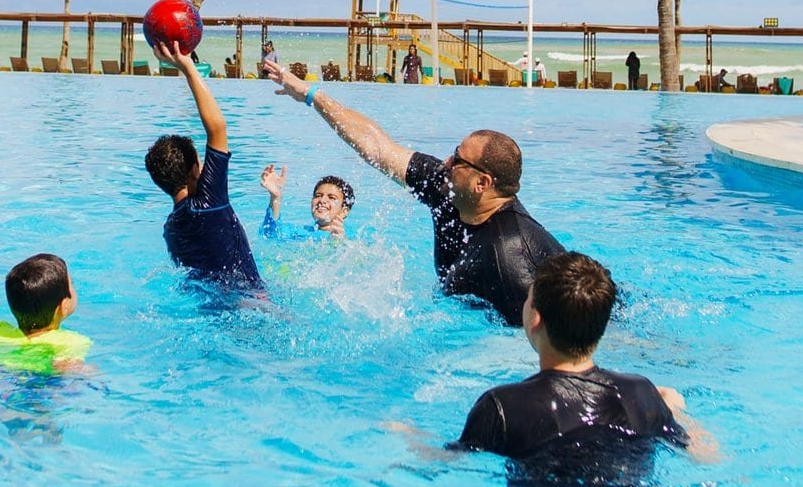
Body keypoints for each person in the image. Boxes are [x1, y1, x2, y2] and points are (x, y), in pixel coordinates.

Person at [262, 59, 563, 325]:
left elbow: (546, 343)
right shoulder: (447, 188)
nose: (446, 162)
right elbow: (377, 148)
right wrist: (310, 95)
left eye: (458, 160)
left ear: (482, 183)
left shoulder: (508, 259)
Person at [454, 252, 704, 485]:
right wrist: (673, 411)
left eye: (528, 300)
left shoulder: (501, 407)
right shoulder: (641, 392)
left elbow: (447, 465)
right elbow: (704, 456)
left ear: (535, 319)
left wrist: (413, 434)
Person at [146, 39, 264, 291]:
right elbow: (217, 127)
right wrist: (188, 67)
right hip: (251, 301)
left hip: (211, 309)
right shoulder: (209, 201)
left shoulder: (171, 229)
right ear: (194, 170)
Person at [0, 253, 91, 375]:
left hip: (1, 375)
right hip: (40, 384)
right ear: (63, 306)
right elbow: (69, 369)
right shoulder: (70, 341)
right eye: (72, 284)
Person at [258, 166, 354, 239]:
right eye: (318, 196)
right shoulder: (298, 231)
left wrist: (339, 243)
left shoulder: (352, 239)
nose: (322, 200)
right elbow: (269, 234)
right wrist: (275, 198)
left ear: (344, 211)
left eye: (331, 197)